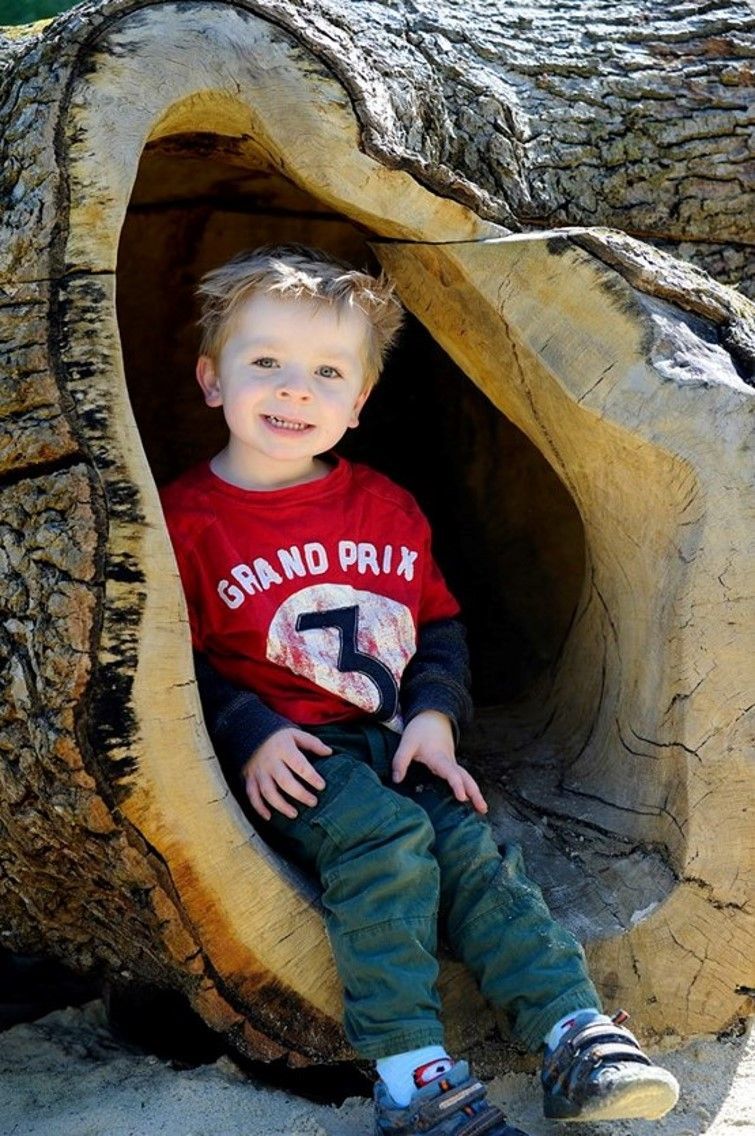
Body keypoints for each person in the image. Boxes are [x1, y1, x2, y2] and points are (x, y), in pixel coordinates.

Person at [160, 244, 680, 1136]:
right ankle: (411, 1077)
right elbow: (163, 656)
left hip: (393, 734)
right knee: (384, 840)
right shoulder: (184, 522)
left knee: (474, 853)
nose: (294, 390)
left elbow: (435, 627)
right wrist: (248, 731)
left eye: (326, 372)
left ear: (358, 402)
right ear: (212, 380)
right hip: (294, 755)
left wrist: (435, 716)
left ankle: (572, 1033)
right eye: (265, 363)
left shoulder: (386, 506)